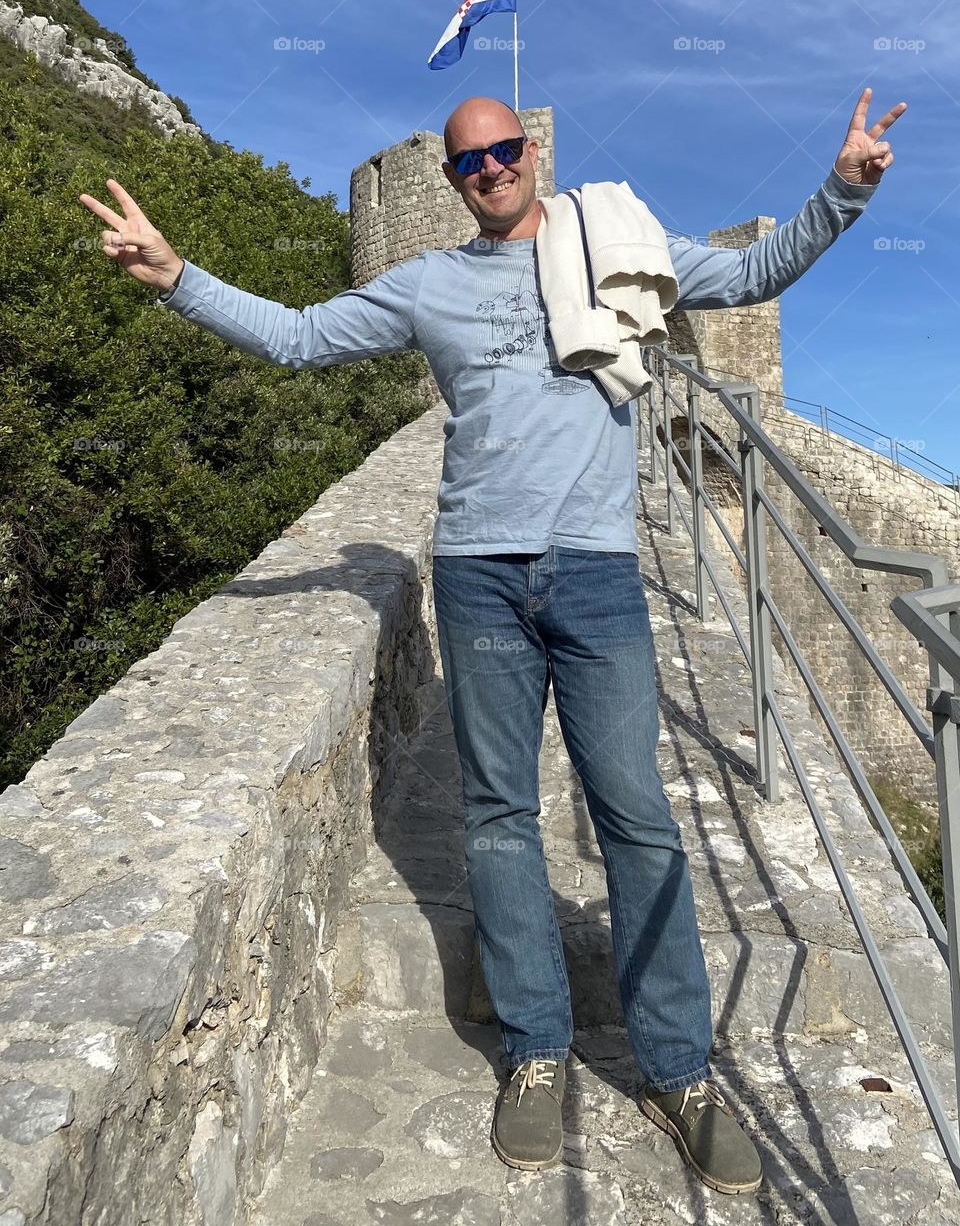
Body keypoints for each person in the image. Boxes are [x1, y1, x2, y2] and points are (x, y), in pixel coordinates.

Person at [79, 86, 903, 1195]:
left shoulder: (619, 246)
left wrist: (845, 189)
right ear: (454, 180)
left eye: (507, 149)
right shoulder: (427, 287)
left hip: (602, 573)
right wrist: (178, 279)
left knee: (641, 822)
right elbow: (302, 338)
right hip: (479, 577)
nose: (491, 169)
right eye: (471, 160)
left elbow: (751, 274)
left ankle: (678, 1069)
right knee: (500, 819)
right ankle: (537, 1049)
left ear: (533, 154)